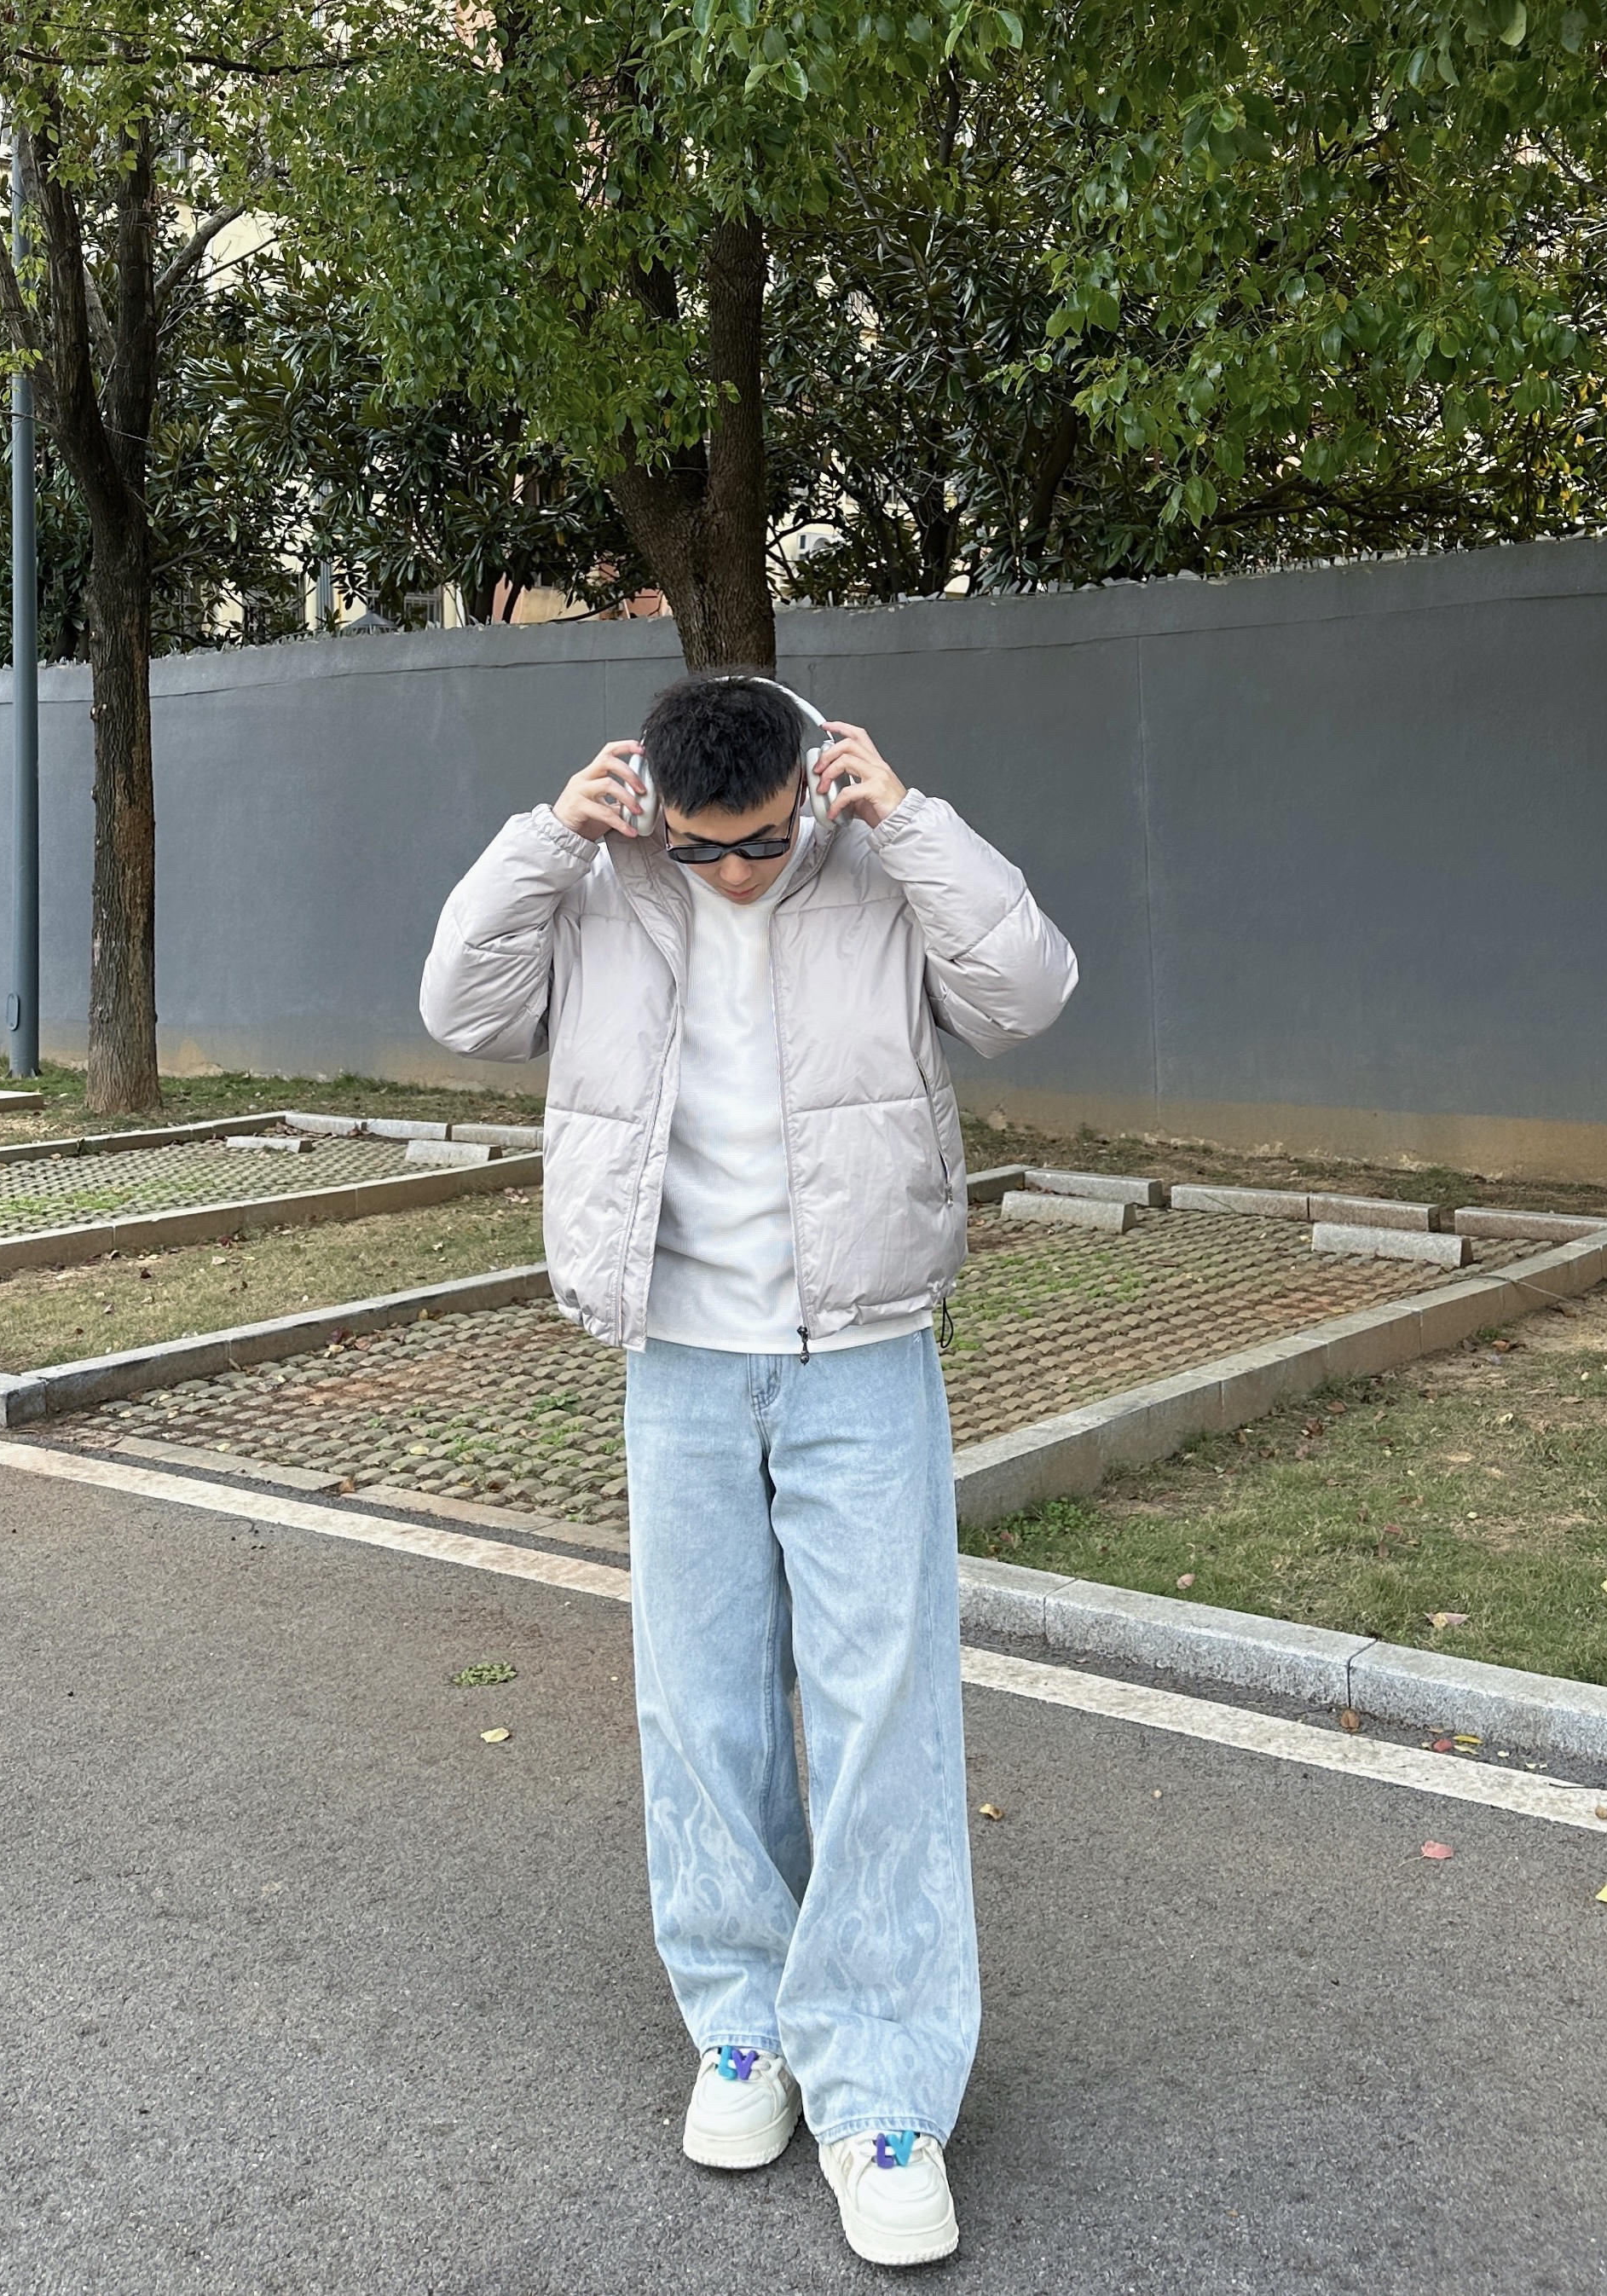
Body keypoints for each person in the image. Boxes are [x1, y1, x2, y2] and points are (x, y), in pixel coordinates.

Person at [420, 671, 1077, 2268]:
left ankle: (884, 2084)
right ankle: (743, 2023)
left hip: (862, 1347)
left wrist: (909, 822)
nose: (732, 872)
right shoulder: (601, 880)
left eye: (762, 841)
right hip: (682, 1356)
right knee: (700, 1702)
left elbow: (1029, 989)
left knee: (881, 1714)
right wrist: (542, 839)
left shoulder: (877, 863)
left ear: (808, 787)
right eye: (703, 846)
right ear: (655, 805)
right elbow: (459, 1008)